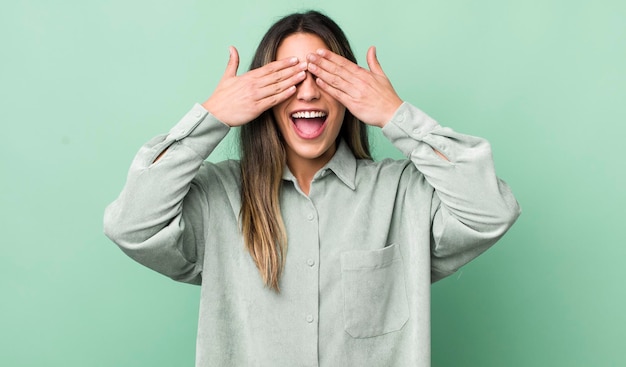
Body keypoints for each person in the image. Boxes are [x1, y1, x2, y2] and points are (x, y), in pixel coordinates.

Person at [103, 10, 520, 367]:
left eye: (324, 75)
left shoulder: (403, 193)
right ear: (262, 94)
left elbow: (491, 210)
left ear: (350, 92)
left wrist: (396, 115)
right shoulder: (218, 196)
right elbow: (132, 226)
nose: (308, 90)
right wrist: (212, 118)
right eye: (290, 76)